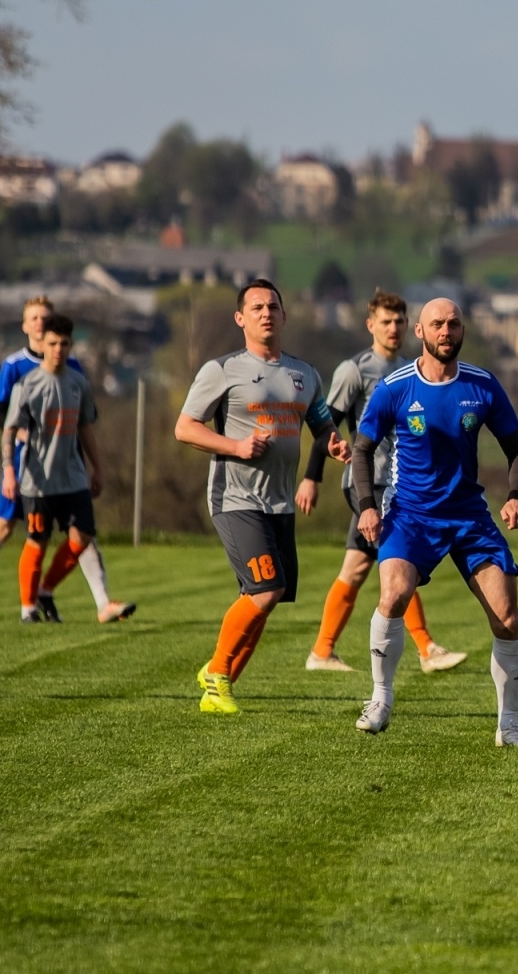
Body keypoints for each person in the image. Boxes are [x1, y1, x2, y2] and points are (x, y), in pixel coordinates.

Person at [350, 298, 518, 748]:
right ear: (420, 331)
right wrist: (368, 506)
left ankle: (509, 725)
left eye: (453, 324)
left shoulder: (483, 385)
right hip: (411, 513)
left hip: (469, 516)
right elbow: (361, 449)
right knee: (393, 593)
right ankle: (380, 699)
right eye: (437, 324)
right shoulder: (394, 389)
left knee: (507, 618)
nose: (446, 331)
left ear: (463, 329)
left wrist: (515, 497)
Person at [175, 279, 348, 715]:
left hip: (280, 502)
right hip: (235, 498)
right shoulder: (222, 370)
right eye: (256, 307)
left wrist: (335, 445)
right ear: (241, 319)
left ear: (285, 315)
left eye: (273, 306)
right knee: (266, 589)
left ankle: (222, 678)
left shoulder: (304, 374)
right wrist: (236, 446)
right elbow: (185, 427)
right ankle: (216, 677)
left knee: (265, 598)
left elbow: (323, 426)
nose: (266, 313)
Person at [298, 290, 465, 674]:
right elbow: (327, 428)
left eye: (399, 321)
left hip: (404, 484)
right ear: (370, 325)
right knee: (399, 554)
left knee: (356, 567)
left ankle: (322, 652)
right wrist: (311, 477)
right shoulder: (354, 371)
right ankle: (427, 648)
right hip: (368, 483)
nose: (394, 328)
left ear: (410, 326)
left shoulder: (415, 369)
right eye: (386, 322)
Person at [0, 296, 134, 623]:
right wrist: (10, 467)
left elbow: (86, 425)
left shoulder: (77, 376)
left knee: (84, 535)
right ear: (29, 328)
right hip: (31, 472)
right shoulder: (19, 373)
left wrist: (97, 467)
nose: (55, 344)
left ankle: (73, 596)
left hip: (71, 473)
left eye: (63, 342)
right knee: (12, 533)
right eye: (36, 320)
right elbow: (3, 419)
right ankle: (29, 607)